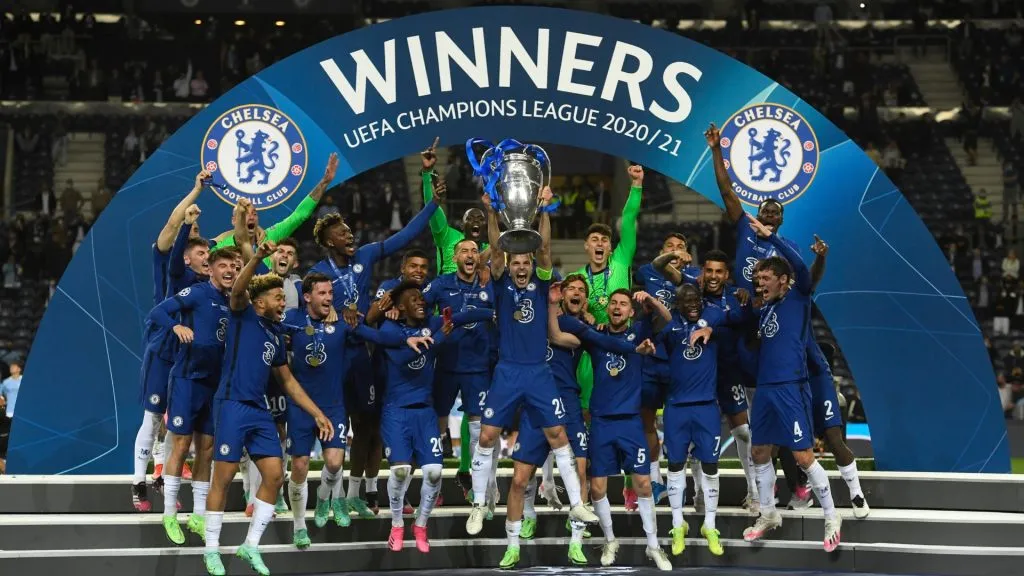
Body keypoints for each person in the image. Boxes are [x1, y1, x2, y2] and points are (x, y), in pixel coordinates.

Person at [467, 186, 598, 568]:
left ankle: (577, 504)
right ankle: (479, 504)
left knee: (559, 436)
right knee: (487, 436)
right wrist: (492, 212)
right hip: (508, 370)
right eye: (517, 263)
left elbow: (545, 247)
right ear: (509, 264)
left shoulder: (543, 283)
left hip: (539, 372)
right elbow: (495, 248)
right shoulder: (501, 282)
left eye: (526, 262)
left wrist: (544, 208)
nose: (522, 268)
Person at [310, 179, 442, 518]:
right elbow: (316, 311)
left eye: (349, 231)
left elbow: (404, 237)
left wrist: (432, 204)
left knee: (366, 427)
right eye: (342, 233)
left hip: (362, 353)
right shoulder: (318, 273)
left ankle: (356, 494)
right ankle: (332, 497)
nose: (350, 235)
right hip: (334, 354)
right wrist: (351, 316)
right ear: (329, 241)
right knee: (337, 428)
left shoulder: (365, 255)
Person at [202, 241, 334, 576]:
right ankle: (211, 549)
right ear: (260, 302)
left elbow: (288, 382)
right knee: (223, 478)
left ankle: (250, 546)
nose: (283, 303)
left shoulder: (275, 337)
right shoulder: (242, 314)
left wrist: (317, 413)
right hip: (231, 405)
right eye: (278, 298)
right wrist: (258, 256)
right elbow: (239, 289)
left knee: (275, 475)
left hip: (258, 410)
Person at [705, 123, 812, 508]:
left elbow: (801, 286)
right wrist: (717, 151)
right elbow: (726, 191)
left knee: (773, 411)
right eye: (764, 209)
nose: (767, 213)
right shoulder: (745, 228)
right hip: (740, 322)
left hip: (768, 331)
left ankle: (797, 482)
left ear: (781, 219)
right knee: (750, 421)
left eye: (774, 211)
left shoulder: (787, 248)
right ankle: (759, 492)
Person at [360, 280, 492, 553]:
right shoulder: (391, 329)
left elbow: (461, 317)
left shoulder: (431, 323)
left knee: (433, 472)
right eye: (414, 299)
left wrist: (493, 312)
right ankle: (397, 524)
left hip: (425, 412)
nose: (421, 301)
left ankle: (420, 525)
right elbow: (404, 359)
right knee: (400, 471)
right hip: (396, 411)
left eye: (422, 298)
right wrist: (439, 338)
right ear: (400, 307)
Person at [742, 215, 842, 552]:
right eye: (758, 279)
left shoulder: (798, 297)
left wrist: (771, 237)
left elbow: (803, 269)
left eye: (766, 278)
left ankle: (831, 516)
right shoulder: (766, 310)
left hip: (791, 387)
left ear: (783, 281)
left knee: (802, 456)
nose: (760, 284)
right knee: (759, 452)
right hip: (766, 389)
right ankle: (769, 514)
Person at [564, 289, 670, 570]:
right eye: (613, 303)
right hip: (601, 422)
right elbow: (566, 325)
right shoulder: (596, 336)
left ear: (631, 312)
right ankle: (610, 541)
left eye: (623, 304)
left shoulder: (639, 331)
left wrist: (650, 300)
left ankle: (653, 546)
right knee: (598, 487)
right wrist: (585, 315)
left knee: (643, 484)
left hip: (631, 422)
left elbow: (666, 318)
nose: (617, 307)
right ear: (608, 308)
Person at [147, 245, 240, 545]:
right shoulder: (198, 293)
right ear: (210, 269)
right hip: (187, 379)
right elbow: (158, 311)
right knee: (181, 444)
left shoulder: (235, 301)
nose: (229, 271)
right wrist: (175, 326)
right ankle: (169, 514)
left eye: (233, 266)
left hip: (214, 384)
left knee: (207, 449)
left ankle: (198, 516)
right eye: (223, 265)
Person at [131, 169, 208, 511]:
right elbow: (173, 223)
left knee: (176, 418)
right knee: (152, 416)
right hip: (164, 345)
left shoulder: (202, 275)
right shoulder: (167, 258)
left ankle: (162, 474)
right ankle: (138, 482)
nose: (194, 227)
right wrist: (195, 192)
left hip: (187, 352)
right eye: (190, 227)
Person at [507, 275, 592, 565]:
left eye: (581, 290)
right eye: (571, 289)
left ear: (585, 300)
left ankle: (576, 542)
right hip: (535, 401)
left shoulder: (580, 327)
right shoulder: (536, 317)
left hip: (568, 402)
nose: (576, 293)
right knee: (521, 477)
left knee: (581, 471)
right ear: (561, 294)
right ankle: (520, 532)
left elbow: (557, 336)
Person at [574, 164, 643, 508]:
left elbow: (628, 221)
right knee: (590, 420)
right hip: (591, 357)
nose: (600, 244)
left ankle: (632, 484)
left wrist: (636, 186)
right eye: (595, 240)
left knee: (630, 418)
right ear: (586, 247)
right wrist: (582, 316)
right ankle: (585, 497)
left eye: (605, 240)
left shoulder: (621, 263)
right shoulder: (575, 277)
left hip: (626, 351)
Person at [282, 272, 355, 547]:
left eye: (330, 294)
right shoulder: (292, 319)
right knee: (299, 465)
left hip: (333, 405)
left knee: (334, 463)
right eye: (322, 293)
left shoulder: (341, 322)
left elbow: (372, 329)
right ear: (307, 296)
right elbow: (265, 323)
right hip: (300, 406)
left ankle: (324, 498)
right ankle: (299, 526)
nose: (328, 298)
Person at [659, 283, 731, 558]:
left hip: (706, 408)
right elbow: (651, 339)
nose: (692, 304)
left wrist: (710, 329)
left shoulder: (713, 320)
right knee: (675, 466)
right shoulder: (669, 328)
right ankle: (678, 524)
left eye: (696, 300)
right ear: (677, 304)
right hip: (676, 408)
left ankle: (709, 525)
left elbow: (731, 318)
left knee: (711, 467)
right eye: (686, 301)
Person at [422, 240, 494, 473]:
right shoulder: (441, 284)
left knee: (477, 429)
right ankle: (433, 481)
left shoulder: (489, 284)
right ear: (455, 259)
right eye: (464, 251)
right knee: (437, 423)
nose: (470, 255)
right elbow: (419, 308)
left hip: (478, 367)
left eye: (474, 251)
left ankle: (476, 485)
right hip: (446, 365)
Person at [637, 233, 699, 497]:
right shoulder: (647, 271)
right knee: (646, 421)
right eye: (670, 247)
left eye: (681, 247)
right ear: (662, 250)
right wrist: (672, 256)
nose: (675, 251)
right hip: (650, 356)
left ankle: (683, 484)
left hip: (679, 359)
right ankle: (654, 480)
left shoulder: (694, 276)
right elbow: (656, 265)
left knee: (681, 424)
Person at [697, 250, 759, 511]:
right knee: (698, 435)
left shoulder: (737, 297)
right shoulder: (692, 294)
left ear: (726, 275)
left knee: (743, 433)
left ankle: (754, 492)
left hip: (729, 372)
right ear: (702, 272)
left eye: (718, 271)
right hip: (699, 375)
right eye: (709, 270)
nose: (713, 276)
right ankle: (700, 493)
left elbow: (747, 319)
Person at [210, 153, 339, 258]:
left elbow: (299, 215)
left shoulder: (269, 237)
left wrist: (324, 182)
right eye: (244, 214)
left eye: (254, 213)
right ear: (234, 220)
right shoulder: (220, 248)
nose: (251, 217)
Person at [0, 362, 22, 475]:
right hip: (9, 412)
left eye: (14, 366)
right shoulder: (6, 382)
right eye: (11, 366)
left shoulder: (24, 380)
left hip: (20, 412)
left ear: (19, 368)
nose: (11, 368)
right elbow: (1, 395)